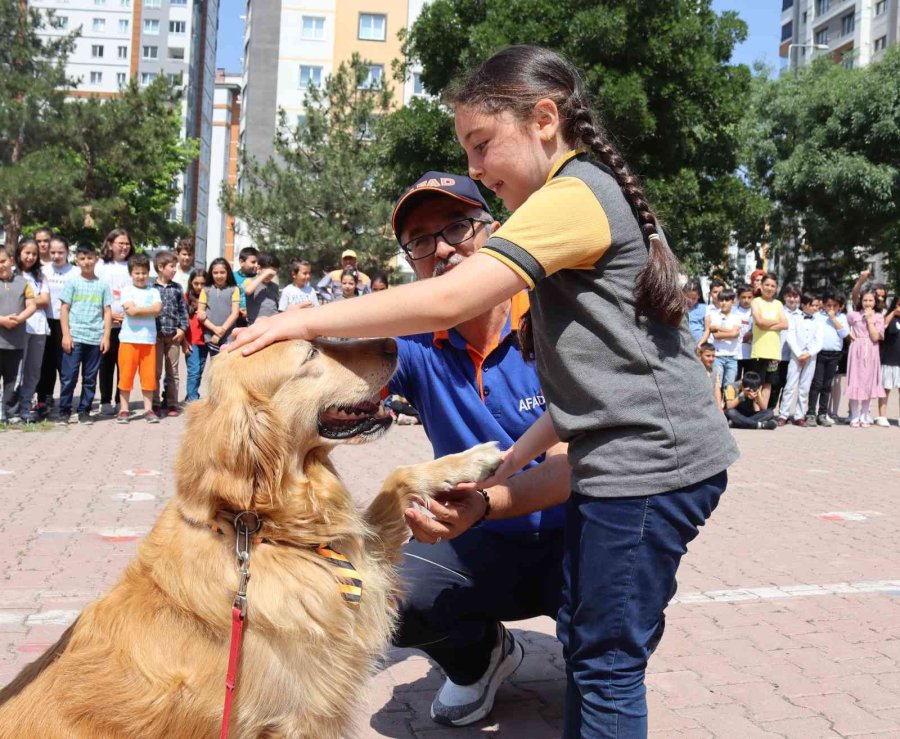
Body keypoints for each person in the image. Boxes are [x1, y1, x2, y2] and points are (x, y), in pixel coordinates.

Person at [226, 45, 739, 737]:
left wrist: (301, 316)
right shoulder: (573, 215)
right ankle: (493, 658)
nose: (475, 167)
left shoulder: (573, 196)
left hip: (644, 470)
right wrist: (495, 476)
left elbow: (447, 300)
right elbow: (577, 401)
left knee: (606, 661)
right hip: (629, 468)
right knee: (595, 652)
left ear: (545, 119)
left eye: (481, 144)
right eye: (419, 241)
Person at [383, 171, 568, 727]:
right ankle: (479, 658)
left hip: (579, 533)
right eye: (420, 240)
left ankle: (595, 653)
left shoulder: (556, 322)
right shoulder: (415, 343)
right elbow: (344, 373)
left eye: (457, 227)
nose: (441, 248)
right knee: (386, 597)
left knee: (613, 642)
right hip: (479, 541)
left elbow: (575, 465)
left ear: (496, 233)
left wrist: (487, 502)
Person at [58, 243, 112, 425]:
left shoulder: (103, 285)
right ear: (76, 261)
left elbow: (107, 312)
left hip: (95, 338)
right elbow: (64, 309)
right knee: (69, 376)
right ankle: (64, 410)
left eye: (90, 258)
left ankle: (84, 410)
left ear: (96, 259)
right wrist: (66, 335)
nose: (86, 262)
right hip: (75, 337)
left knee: (90, 378)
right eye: (82, 258)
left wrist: (105, 337)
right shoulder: (72, 283)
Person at [96, 228, 134, 416]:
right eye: (121, 243)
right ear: (110, 244)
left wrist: (129, 313)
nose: (124, 247)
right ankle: (105, 400)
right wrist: (110, 315)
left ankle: (121, 400)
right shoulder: (100, 266)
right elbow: (95, 293)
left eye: (127, 244)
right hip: (106, 324)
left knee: (124, 364)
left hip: (129, 324)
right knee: (106, 363)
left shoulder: (133, 266)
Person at [35, 236, 75, 417]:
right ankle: (44, 398)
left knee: (65, 363)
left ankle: (66, 400)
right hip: (45, 321)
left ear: (67, 252)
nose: (57, 256)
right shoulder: (42, 271)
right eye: (53, 252)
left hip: (67, 323)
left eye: (61, 252)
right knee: (45, 363)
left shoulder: (75, 272)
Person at [13, 239, 51, 423]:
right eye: (27, 253)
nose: (30, 257)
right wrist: (33, 299)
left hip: (38, 327)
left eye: (34, 254)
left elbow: (45, 300)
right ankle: (10, 408)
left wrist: (26, 299)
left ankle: (26, 406)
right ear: (19, 253)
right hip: (17, 327)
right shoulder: (11, 275)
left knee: (33, 370)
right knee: (17, 371)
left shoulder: (40, 276)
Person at [0, 249, 36, 424]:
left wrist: (20, 318)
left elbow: (32, 305)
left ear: (11, 261)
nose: (1, 265)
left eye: (3, 261)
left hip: (16, 342)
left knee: (12, 380)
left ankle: (10, 413)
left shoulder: (23, 283)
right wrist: (2, 320)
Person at [777, 292, 823, 427]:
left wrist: (808, 354)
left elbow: (819, 341)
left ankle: (799, 415)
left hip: (811, 357)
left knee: (805, 387)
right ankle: (783, 414)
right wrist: (799, 354)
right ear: (803, 305)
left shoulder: (818, 320)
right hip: (795, 356)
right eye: (812, 305)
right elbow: (790, 338)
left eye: (816, 306)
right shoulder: (794, 318)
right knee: (790, 385)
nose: (815, 308)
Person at [152, 251, 189, 416]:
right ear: (160, 268)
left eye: (176, 267)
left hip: (174, 336)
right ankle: (154, 403)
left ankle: (172, 403)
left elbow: (183, 311)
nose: (174, 270)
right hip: (156, 336)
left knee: (173, 371)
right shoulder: (151, 288)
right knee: (155, 371)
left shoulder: (177, 288)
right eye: (171, 266)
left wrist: (182, 329)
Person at [845, 289, 885, 427]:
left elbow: (875, 337)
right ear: (861, 301)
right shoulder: (853, 315)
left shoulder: (879, 317)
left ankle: (865, 414)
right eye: (865, 300)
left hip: (871, 349)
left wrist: (869, 320)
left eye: (870, 300)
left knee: (868, 381)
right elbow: (843, 325)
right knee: (855, 379)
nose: (867, 303)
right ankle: (854, 415)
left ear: (875, 302)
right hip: (856, 349)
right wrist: (848, 334)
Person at [808, 292, 848, 427]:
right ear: (823, 305)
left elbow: (844, 334)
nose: (831, 308)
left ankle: (822, 413)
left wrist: (833, 319)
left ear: (840, 307)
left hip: (834, 355)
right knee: (817, 384)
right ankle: (811, 413)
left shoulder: (841, 317)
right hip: (819, 353)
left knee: (827, 385)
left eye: (834, 305)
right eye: (828, 305)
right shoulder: (817, 317)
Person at [750, 272, 788, 410]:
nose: (769, 288)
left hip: (773, 351)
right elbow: (759, 322)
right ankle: (756, 411)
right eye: (767, 285)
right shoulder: (756, 302)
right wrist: (776, 322)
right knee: (757, 383)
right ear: (761, 285)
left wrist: (768, 323)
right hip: (759, 350)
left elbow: (785, 324)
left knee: (769, 383)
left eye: (773, 286)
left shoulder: (778, 304)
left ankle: (764, 411)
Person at [198, 258, 240, 355]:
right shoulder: (205, 290)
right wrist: (215, 329)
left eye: (222, 272)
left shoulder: (234, 289)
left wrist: (222, 331)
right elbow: (200, 314)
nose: (219, 276)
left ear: (228, 273)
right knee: (215, 363)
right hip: (211, 336)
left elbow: (235, 313)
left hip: (229, 335)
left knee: (228, 365)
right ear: (211, 274)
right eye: (215, 273)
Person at [707, 288, 741, 396]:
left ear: (733, 301)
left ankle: (727, 408)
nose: (724, 303)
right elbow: (716, 335)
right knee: (716, 384)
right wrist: (731, 332)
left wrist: (719, 328)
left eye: (727, 300)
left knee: (729, 385)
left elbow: (735, 334)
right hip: (718, 356)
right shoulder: (714, 315)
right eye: (721, 300)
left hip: (732, 357)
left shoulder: (736, 317)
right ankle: (717, 408)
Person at [184, 269, 208, 402]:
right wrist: (184, 342)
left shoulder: (210, 297)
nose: (199, 287)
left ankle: (192, 394)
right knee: (193, 371)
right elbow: (182, 320)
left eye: (203, 283)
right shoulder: (186, 298)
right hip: (191, 340)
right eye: (196, 283)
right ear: (191, 283)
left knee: (199, 371)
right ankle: (192, 399)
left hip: (206, 340)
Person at [877, 296, 900, 426]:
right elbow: (883, 326)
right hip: (889, 359)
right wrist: (893, 312)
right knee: (886, 389)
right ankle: (882, 416)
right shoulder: (889, 317)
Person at [243, 252, 281, 324]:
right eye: (268, 273)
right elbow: (248, 291)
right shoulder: (250, 282)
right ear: (259, 268)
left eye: (272, 274)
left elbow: (275, 305)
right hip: (255, 325)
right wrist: (264, 274)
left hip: (273, 324)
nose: (269, 276)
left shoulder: (274, 286)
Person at [733, 283, 754, 380]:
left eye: (749, 297)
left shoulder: (755, 312)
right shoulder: (733, 311)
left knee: (749, 382)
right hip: (735, 352)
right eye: (743, 297)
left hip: (751, 354)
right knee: (735, 380)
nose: (746, 300)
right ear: (738, 297)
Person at [233, 246, 259, 323]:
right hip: (234, 320)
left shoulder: (259, 279)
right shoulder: (232, 277)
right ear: (242, 262)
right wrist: (237, 310)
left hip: (254, 320)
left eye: (258, 262)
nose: (256, 265)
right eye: (253, 262)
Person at [684, 280, 706, 345]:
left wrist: (701, 343)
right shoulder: (679, 308)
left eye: (694, 298)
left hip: (699, 344)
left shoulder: (704, 308)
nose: (690, 301)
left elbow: (707, 329)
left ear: (699, 296)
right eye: (688, 297)